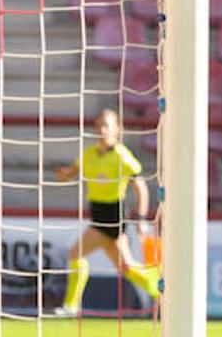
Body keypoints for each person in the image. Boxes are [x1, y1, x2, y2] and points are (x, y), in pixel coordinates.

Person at [51, 108, 159, 316]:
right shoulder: (89, 154)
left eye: (107, 125)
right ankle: (160, 287)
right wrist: (62, 174)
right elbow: (71, 173)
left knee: (75, 254)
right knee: (126, 267)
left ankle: (71, 306)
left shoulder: (122, 156)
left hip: (113, 217)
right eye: (99, 125)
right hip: (98, 214)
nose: (102, 129)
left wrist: (142, 217)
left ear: (117, 129)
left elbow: (140, 187)